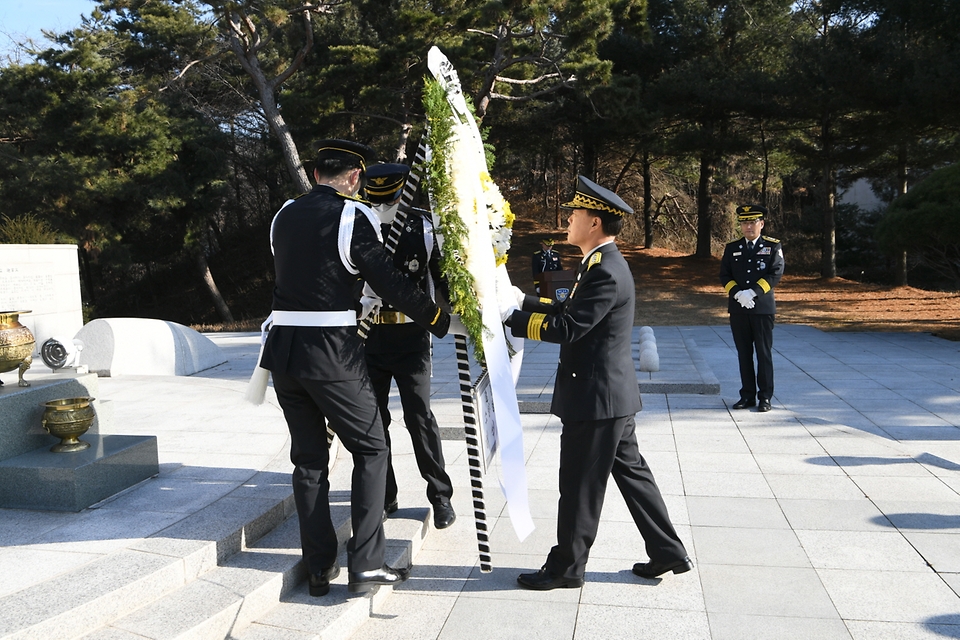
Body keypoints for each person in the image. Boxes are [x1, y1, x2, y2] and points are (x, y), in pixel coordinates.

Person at [260, 139, 451, 597]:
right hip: (331, 352)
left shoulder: (283, 214)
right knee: (371, 448)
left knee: (308, 461)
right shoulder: (353, 216)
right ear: (353, 178)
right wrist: (440, 320)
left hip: (285, 353)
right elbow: (388, 282)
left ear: (316, 171)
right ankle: (365, 565)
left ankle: (319, 565)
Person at [504, 175, 692, 590]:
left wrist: (511, 321)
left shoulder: (606, 270)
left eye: (574, 214)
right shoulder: (598, 264)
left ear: (594, 223)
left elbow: (570, 326)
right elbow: (568, 306)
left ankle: (566, 569)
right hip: (609, 395)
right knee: (633, 477)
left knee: (579, 487)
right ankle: (667, 551)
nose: (568, 219)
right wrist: (520, 301)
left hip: (596, 398)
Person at [362, 162, 456, 530]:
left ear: (402, 194)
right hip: (369, 337)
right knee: (374, 419)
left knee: (420, 417)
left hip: (412, 337)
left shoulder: (423, 227)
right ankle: (385, 493)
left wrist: (462, 313)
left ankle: (440, 495)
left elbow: (441, 278)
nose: (383, 207)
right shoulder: (358, 223)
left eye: (389, 200)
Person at [719, 204, 785, 413]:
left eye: (752, 222)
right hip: (739, 308)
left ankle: (765, 397)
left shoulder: (772, 246)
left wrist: (753, 292)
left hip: (762, 309)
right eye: (744, 222)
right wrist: (738, 293)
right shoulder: (732, 247)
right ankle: (747, 395)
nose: (748, 227)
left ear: (761, 224)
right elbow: (725, 275)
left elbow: (775, 273)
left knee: (763, 353)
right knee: (744, 353)